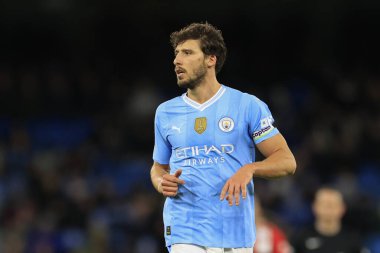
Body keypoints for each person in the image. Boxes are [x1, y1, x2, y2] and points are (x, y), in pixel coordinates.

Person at [150, 22, 297, 253]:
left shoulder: (247, 106)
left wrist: (250, 169)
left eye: (187, 53)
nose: (177, 60)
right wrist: (161, 182)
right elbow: (158, 167)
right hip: (184, 227)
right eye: (176, 53)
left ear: (211, 59)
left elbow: (287, 161)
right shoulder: (165, 112)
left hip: (235, 229)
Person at [292, 187, 365, 253]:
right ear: (315, 206)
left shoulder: (353, 240)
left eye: (333, 205)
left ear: (342, 208)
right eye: (324, 204)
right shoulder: (301, 238)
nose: (328, 209)